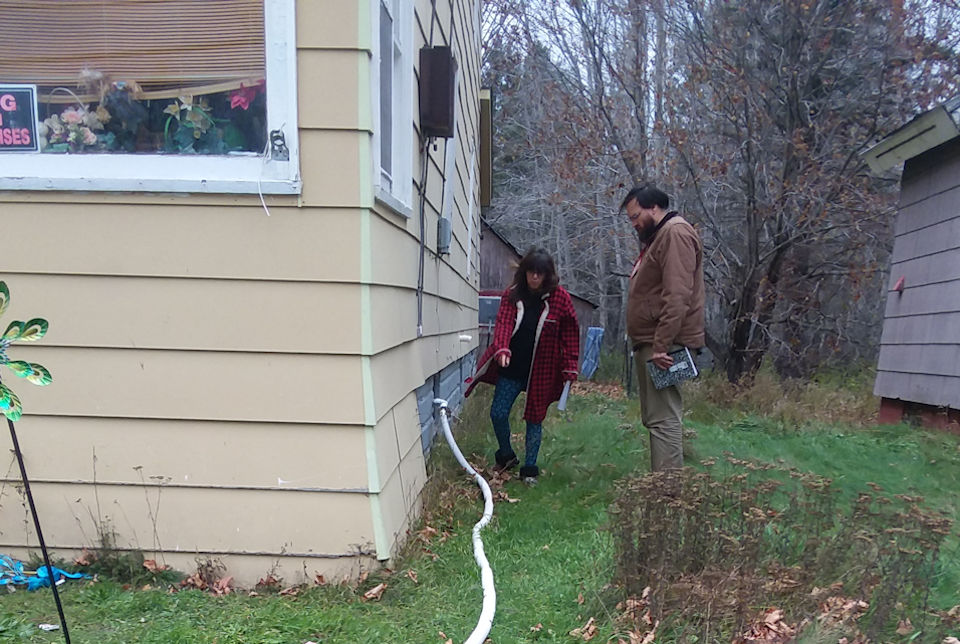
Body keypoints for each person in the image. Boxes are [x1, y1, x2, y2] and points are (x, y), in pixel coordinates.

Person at [465, 248, 580, 486]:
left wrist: (570, 366)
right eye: (531, 273)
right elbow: (504, 323)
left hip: (543, 369)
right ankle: (506, 456)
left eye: (540, 274)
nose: (535, 278)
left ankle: (529, 469)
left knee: (534, 419)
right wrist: (502, 348)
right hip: (512, 366)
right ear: (524, 273)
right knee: (498, 412)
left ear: (548, 275)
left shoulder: (560, 299)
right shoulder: (513, 295)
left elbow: (570, 334)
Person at [621, 185, 705, 472]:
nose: (633, 224)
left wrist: (661, 345)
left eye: (635, 216)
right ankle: (663, 487)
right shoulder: (660, 237)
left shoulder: (675, 234)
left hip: (664, 346)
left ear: (653, 207)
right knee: (655, 416)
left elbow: (678, 295)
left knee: (664, 416)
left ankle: (666, 494)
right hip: (653, 343)